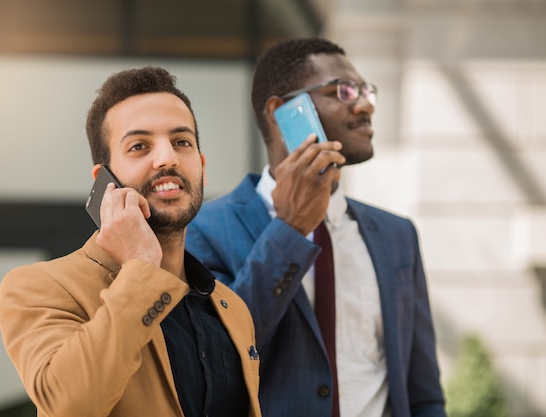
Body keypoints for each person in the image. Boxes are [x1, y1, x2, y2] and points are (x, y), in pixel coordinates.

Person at [186, 37, 446, 417]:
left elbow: (423, 392)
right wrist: (289, 229)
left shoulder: (397, 235)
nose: (365, 103)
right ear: (282, 111)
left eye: (364, 90)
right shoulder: (204, 230)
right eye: (343, 90)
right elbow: (219, 361)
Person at [0, 67, 262, 417]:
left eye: (181, 142)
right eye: (139, 146)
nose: (167, 158)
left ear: (201, 166)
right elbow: (69, 406)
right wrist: (140, 268)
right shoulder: (39, 288)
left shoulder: (231, 307)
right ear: (104, 180)